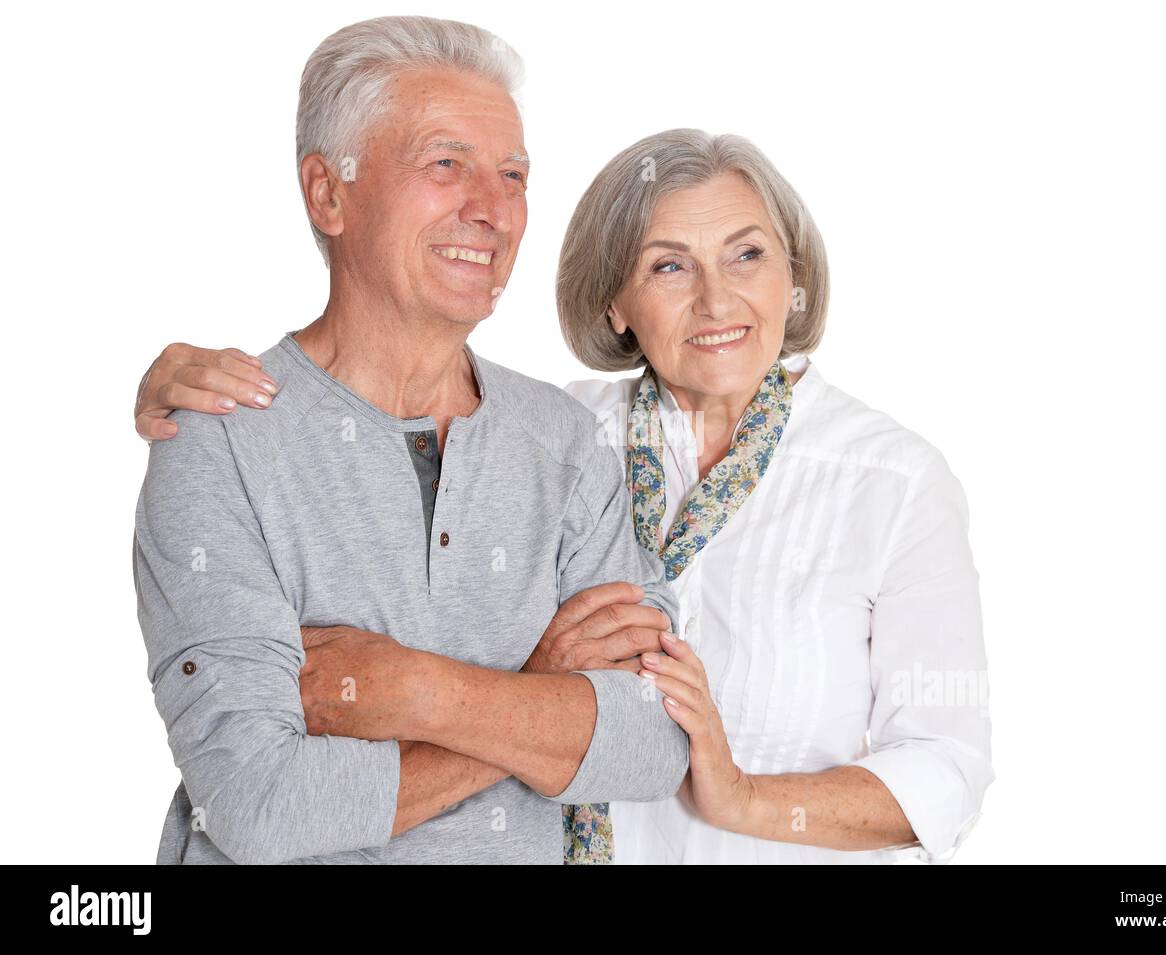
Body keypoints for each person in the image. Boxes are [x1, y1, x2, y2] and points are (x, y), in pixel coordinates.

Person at [138, 84, 995, 869]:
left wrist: (743, 794)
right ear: (615, 302)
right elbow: (258, 795)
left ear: (795, 278)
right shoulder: (562, 435)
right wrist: (185, 388)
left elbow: (945, 767)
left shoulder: (892, 481)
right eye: (669, 265)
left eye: (748, 255)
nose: (716, 300)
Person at [132, 15, 689, 866]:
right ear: (329, 192)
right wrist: (539, 701)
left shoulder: (566, 446)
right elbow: (259, 804)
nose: (494, 209)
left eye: (513, 174)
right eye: (445, 163)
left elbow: (652, 744)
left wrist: (416, 690)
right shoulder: (218, 440)